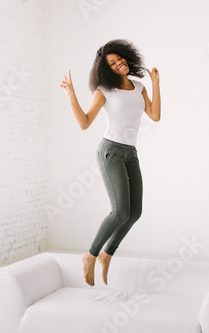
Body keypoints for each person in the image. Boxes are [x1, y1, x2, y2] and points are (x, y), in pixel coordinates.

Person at [60, 39, 161, 286]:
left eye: (120, 59)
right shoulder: (104, 91)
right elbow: (84, 122)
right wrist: (72, 95)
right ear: (107, 70)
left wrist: (155, 83)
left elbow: (155, 116)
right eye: (113, 64)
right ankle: (91, 255)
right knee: (120, 212)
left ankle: (107, 255)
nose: (119, 64)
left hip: (130, 153)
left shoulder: (139, 87)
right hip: (111, 151)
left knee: (134, 212)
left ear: (128, 58)